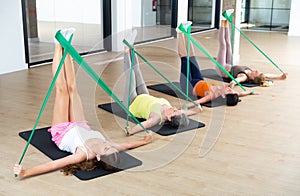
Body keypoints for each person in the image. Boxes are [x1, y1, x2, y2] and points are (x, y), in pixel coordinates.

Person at [13, 28, 153, 179]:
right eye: (112, 148)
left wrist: (25, 172)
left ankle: (57, 45)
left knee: (62, 91)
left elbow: (54, 165)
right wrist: (145, 140)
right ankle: (65, 45)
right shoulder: (111, 148)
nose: (109, 145)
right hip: (80, 125)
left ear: (98, 157)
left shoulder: (83, 154)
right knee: (72, 88)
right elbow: (128, 145)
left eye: (107, 149)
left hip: (63, 131)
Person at [122, 32, 202, 136]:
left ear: (169, 118)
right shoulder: (172, 112)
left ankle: (125, 49)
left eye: (174, 111)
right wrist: (196, 110)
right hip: (144, 95)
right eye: (177, 110)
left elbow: (143, 125)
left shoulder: (156, 118)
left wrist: (130, 131)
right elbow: (184, 112)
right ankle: (131, 47)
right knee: (137, 71)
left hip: (131, 102)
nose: (174, 108)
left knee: (131, 74)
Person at [177, 22, 258, 108]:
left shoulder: (213, 95)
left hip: (188, 85)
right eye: (232, 91)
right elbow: (241, 93)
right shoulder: (230, 93)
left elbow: (199, 101)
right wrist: (251, 92)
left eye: (229, 91)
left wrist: (186, 106)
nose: (230, 89)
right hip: (199, 79)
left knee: (184, 58)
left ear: (223, 96)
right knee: (192, 57)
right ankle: (186, 33)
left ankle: (180, 32)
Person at [216, 10, 288, 88]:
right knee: (228, 44)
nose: (257, 70)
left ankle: (223, 20)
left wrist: (232, 84)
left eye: (256, 72)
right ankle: (226, 20)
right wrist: (280, 77)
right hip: (229, 64)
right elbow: (268, 75)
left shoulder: (244, 77)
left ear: (253, 77)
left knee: (223, 46)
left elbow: (236, 80)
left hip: (222, 69)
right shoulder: (256, 74)